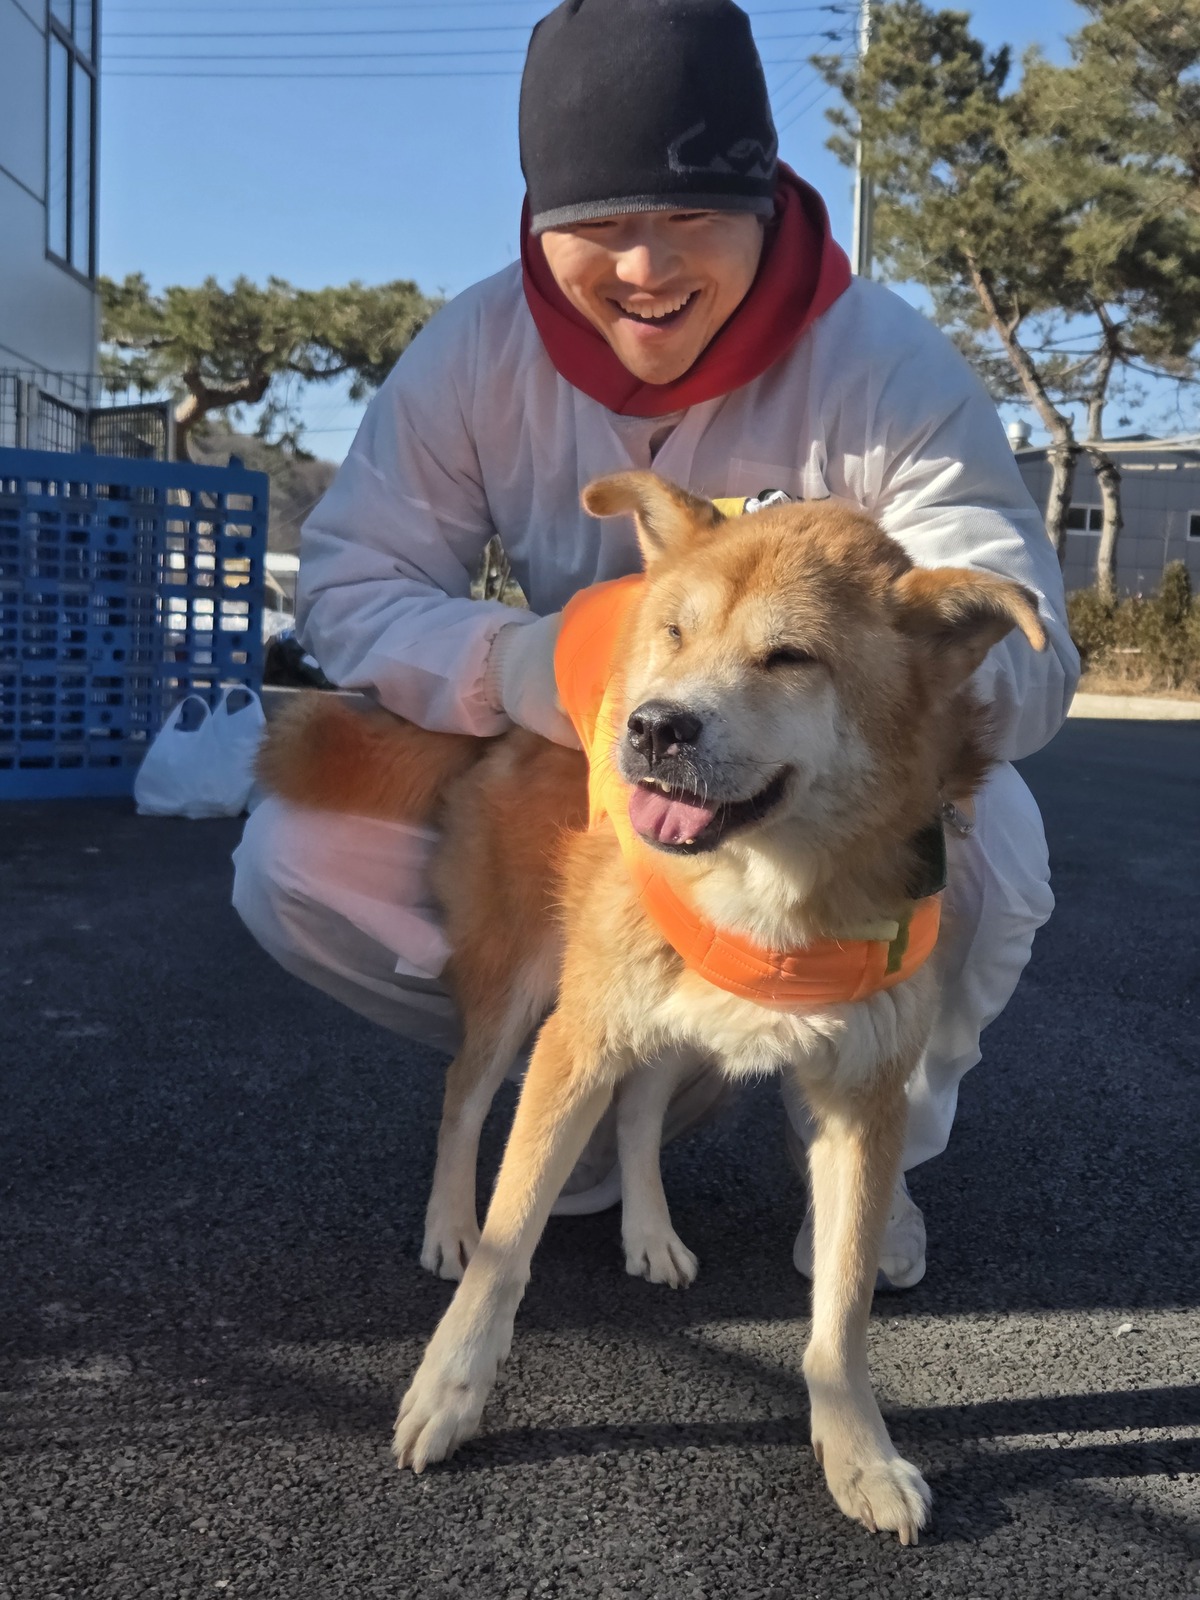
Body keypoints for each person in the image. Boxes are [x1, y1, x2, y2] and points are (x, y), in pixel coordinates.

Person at [233, 0, 1079, 1289]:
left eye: (690, 214)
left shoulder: (884, 363)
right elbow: (352, 582)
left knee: (996, 856)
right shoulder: (475, 353)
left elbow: (1031, 653)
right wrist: (529, 664)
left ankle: (864, 1144)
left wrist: (881, 683)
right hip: (574, 766)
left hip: (815, 779)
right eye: (596, 220)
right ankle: (636, 1069)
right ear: (535, 218)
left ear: (765, 199)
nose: (642, 265)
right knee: (292, 858)